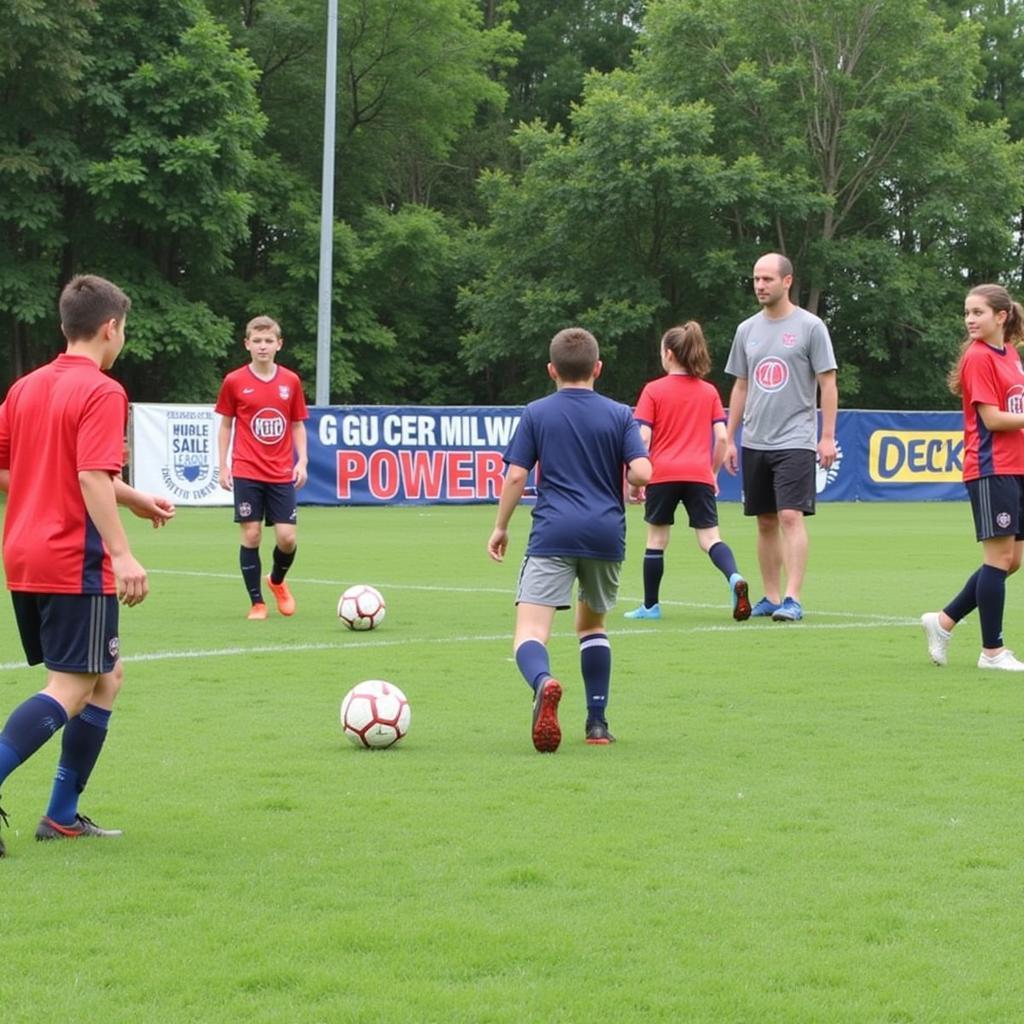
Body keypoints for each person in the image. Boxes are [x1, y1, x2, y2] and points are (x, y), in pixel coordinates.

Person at [0, 274, 175, 857]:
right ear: (112, 327)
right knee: (72, 685)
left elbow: (19, 469)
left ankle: (62, 815)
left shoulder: (25, 389)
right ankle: (49, 805)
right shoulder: (102, 391)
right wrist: (122, 551)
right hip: (74, 558)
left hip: (24, 552)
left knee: (105, 677)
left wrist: (134, 496)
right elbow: (88, 475)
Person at [487, 327, 651, 752]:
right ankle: (597, 724)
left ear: (551, 370)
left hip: (553, 533)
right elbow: (643, 472)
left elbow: (518, 476)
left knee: (530, 634)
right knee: (592, 626)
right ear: (598, 368)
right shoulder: (619, 414)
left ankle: (544, 682)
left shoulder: (537, 412)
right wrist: (634, 481)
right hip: (605, 535)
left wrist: (501, 526)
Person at [723, 252, 838, 622]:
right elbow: (741, 385)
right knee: (765, 520)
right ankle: (770, 596)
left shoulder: (810, 327)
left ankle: (793, 598)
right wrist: (729, 437)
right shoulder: (746, 330)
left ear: (787, 281)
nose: (760, 285)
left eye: (767, 279)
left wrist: (827, 437)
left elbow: (828, 383)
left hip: (796, 438)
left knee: (790, 515)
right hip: (756, 439)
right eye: (756, 279)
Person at [921, 284, 1024, 671]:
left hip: (1016, 467)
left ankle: (943, 620)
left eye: (977, 312)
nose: (969, 320)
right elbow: (993, 419)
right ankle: (992, 652)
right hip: (990, 467)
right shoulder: (978, 357)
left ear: (1001, 316)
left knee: (1011, 561)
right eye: (967, 312)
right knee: (998, 558)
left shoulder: (1010, 354)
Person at [624, 322, 751, 622]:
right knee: (710, 539)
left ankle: (651, 607)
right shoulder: (708, 392)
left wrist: (635, 480)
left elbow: (643, 439)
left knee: (656, 540)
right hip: (698, 475)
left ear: (668, 354)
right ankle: (734, 577)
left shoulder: (653, 390)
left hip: (662, 473)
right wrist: (713, 472)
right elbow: (721, 437)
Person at [216, 316, 309, 620]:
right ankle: (257, 603)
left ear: (279, 344)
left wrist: (302, 461)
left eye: (268, 341)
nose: (263, 346)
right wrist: (223, 465)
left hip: (281, 471)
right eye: (257, 341)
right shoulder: (234, 381)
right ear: (247, 344)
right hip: (246, 470)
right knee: (252, 534)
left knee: (287, 538)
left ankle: (277, 581)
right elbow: (226, 426)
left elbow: (297, 425)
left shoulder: (290, 381)